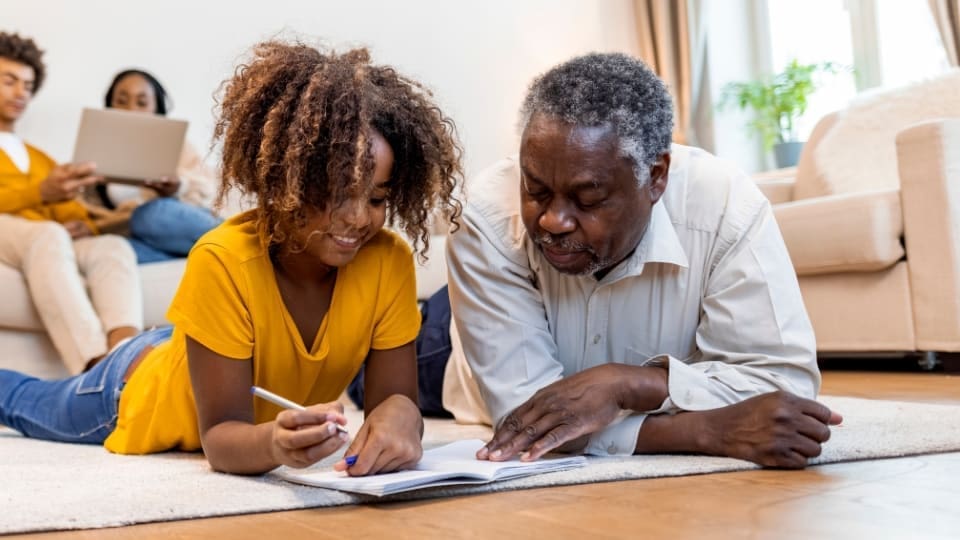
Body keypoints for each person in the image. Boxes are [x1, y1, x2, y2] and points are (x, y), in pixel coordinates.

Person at [0, 40, 463, 476]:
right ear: (286, 181)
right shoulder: (222, 259)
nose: (360, 218)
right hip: (134, 385)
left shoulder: (388, 260)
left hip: (199, 343)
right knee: (25, 401)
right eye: (339, 194)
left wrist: (402, 413)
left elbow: (393, 401)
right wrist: (274, 447)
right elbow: (221, 437)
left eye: (378, 198)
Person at [440, 52, 842, 469]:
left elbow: (782, 386)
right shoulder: (485, 217)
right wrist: (706, 430)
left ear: (656, 177)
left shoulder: (726, 208)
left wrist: (630, 384)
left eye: (587, 198)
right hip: (447, 347)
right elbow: (527, 417)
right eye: (535, 190)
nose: (552, 221)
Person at [0, 31, 142, 374]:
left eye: (29, 85)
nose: (22, 93)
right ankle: (95, 368)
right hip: (19, 234)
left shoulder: (39, 156)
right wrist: (40, 194)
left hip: (42, 239)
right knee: (47, 235)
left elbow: (67, 208)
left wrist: (84, 224)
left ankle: (129, 358)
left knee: (111, 246)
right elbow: (41, 202)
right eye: (10, 81)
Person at [84, 68, 222, 263]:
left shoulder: (176, 144)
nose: (131, 110)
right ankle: (198, 257)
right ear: (109, 106)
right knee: (114, 250)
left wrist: (178, 187)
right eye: (121, 101)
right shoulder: (97, 154)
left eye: (142, 103)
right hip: (146, 238)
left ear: (156, 109)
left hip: (185, 221)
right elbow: (98, 218)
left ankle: (234, 240)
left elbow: (209, 191)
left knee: (151, 215)